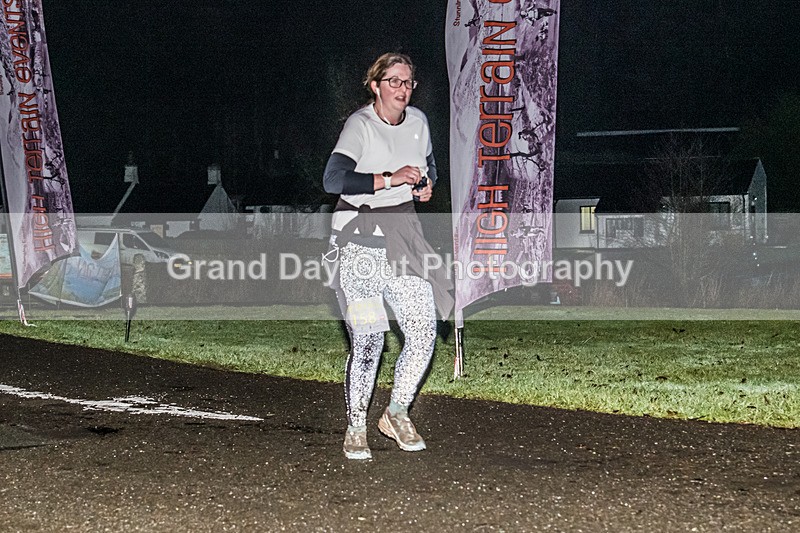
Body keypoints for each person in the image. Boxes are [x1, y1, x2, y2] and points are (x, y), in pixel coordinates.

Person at [322, 52, 453, 460]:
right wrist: (388, 179)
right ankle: (356, 425)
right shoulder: (360, 126)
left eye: (408, 82)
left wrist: (425, 185)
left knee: (422, 331)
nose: (402, 89)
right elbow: (334, 179)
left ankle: (395, 412)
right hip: (360, 242)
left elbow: (429, 166)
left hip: (404, 238)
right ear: (375, 86)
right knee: (369, 340)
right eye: (393, 82)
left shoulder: (418, 122)